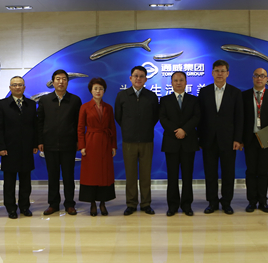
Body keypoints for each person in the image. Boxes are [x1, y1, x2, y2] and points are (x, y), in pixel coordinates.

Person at [198, 59, 243, 215]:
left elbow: (239, 118)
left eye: (222, 71)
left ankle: (226, 202)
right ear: (212, 73)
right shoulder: (204, 92)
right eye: (217, 71)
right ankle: (212, 202)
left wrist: (238, 139)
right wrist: (200, 138)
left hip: (229, 141)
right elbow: (200, 117)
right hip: (208, 140)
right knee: (210, 173)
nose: (219, 74)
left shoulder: (235, 92)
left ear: (227, 73)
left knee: (228, 174)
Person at [115, 65, 159, 216]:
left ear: (146, 79)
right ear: (130, 78)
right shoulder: (122, 95)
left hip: (147, 140)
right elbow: (118, 117)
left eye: (141, 76)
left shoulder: (151, 96)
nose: (138, 78)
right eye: (136, 76)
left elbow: (155, 117)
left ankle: (146, 204)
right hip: (129, 141)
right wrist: (129, 129)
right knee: (131, 175)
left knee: (146, 175)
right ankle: (131, 204)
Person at [37, 70, 82, 216]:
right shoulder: (45, 100)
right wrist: (40, 141)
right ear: (53, 82)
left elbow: (79, 123)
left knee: (69, 176)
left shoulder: (75, 100)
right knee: (53, 176)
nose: (61, 82)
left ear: (67, 82)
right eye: (58, 79)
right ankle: (53, 204)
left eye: (64, 79)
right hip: (50, 144)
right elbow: (40, 122)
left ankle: (69, 204)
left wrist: (78, 141)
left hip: (69, 144)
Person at [0, 76, 38, 219]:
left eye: (20, 85)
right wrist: (1, 146)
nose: (17, 87)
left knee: (26, 181)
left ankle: (25, 206)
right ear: (10, 88)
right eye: (14, 85)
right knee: (9, 182)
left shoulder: (31, 104)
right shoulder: (2, 104)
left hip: (26, 148)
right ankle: (11, 208)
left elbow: (34, 126)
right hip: (9, 149)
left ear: (24, 87)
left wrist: (34, 144)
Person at [240, 68, 268, 213]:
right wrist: (240, 139)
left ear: (266, 79)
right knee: (251, 171)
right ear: (253, 78)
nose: (259, 78)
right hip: (249, 139)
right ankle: (252, 201)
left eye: (262, 76)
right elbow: (240, 119)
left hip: (266, 138)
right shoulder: (244, 95)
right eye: (256, 76)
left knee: (263, 171)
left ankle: (263, 201)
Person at [160, 71, 200, 217]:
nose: (178, 82)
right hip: (171, 142)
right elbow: (163, 118)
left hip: (189, 142)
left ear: (186, 82)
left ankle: (187, 205)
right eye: (175, 80)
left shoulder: (194, 100)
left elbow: (197, 117)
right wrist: (177, 131)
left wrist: (184, 130)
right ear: (171, 83)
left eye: (181, 80)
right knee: (172, 177)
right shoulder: (165, 100)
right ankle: (172, 206)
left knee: (188, 176)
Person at [78, 78, 117, 216]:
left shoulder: (108, 108)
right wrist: (82, 146)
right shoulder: (84, 107)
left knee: (104, 173)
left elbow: (112, 127)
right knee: (91, 173)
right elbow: (80, 128)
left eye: (101, 88)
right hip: (91, 143)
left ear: (104, 91)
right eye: (95, 88)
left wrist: (113, 145)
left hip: (105, 142)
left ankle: (103, 203)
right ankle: (92, 203)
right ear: (91, 90)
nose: (98, 91)